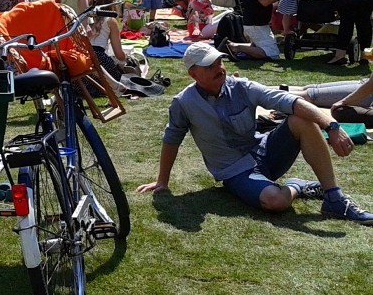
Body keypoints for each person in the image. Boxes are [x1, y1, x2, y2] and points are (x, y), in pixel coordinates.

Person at [137, 42, 373, 225]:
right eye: (209, 66)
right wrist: (162, 182)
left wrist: (330, 125)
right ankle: (297, 187)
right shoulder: (183, 102)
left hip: (265, 151)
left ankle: (334, 198)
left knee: (301, 118)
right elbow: (171, 140)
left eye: (219, 62)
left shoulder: (242, 86)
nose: (219, 69)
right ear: (193, 74)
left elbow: (287, 100)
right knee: (276, 201)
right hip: (234, 171)